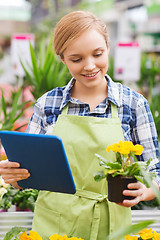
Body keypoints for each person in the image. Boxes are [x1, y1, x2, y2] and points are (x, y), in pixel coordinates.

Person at [0, 10, 160, 240]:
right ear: (62, 58)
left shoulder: (133, 104)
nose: (90, 65)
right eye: (77, 59)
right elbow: (27, 177)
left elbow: (155, 170)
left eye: (98, 54)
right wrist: (13, 175)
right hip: (53, 226)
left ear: (107, 47)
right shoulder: (47, 105)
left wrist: (146, 191)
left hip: (111, 226)